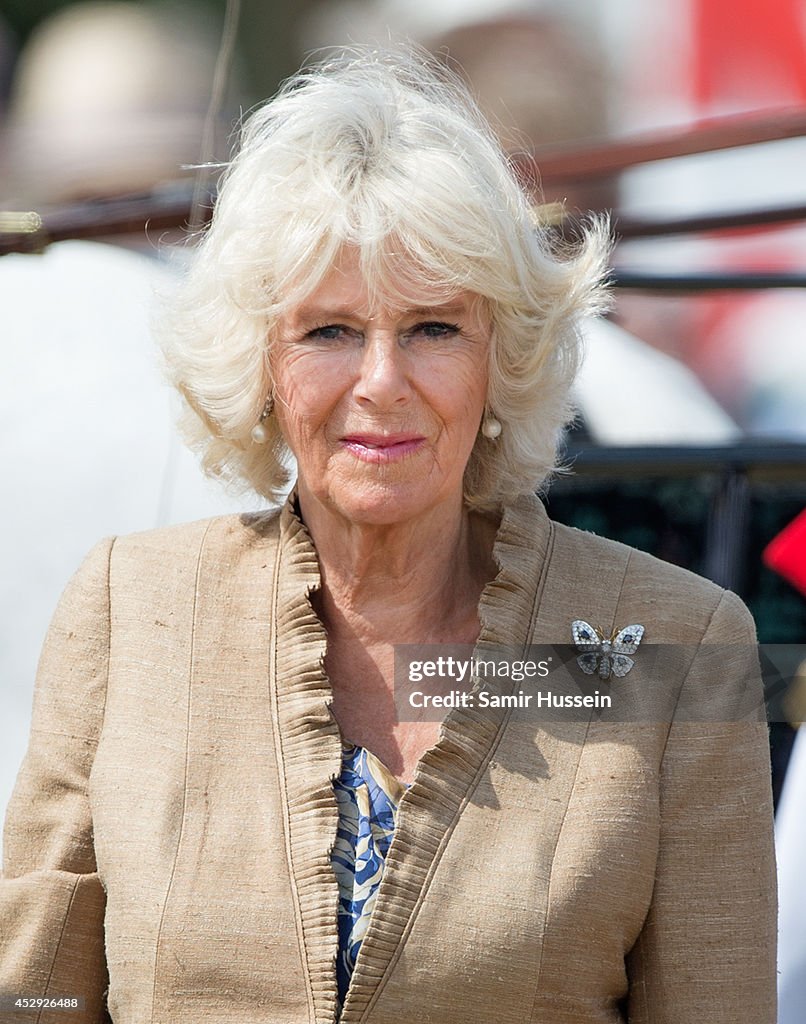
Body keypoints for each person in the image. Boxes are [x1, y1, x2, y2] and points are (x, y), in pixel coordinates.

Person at [0, 47, 776, 1023]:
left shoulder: (668, 643)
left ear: (503, 354)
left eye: (432, 328)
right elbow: (35, 992)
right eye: (327, 330)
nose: (379, 380)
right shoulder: (126, 609)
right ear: (259, 360)